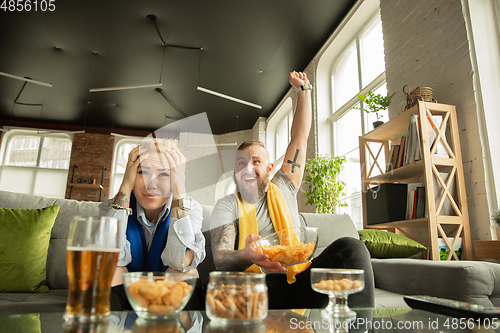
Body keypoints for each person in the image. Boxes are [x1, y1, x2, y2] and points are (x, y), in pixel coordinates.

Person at [210, 71, 374, 309]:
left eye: (255, 161)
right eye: (240, 163)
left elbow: (300, 136)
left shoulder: (284, 185)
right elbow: (220, 258)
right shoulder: (227, 205)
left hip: (297, 282)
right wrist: (247, 255)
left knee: (352, 247)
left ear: (270, 167)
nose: (247, 168)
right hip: (252, 289)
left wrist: (304, 90)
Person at [100, 137, 205, 310]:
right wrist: (126, 186)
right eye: (143, 172)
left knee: (185, 272)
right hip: (126, 292)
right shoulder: (111, 208)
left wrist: (179, 194)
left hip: (167, 292)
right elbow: (106, 258)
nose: (151, 184)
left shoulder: (190, 208)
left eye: (164, 174)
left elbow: (180, 261)